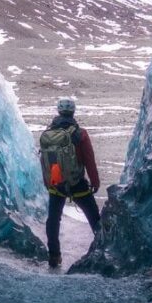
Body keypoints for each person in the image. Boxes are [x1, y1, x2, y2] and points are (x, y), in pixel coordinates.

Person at [38, 97, 101, 268]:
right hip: (77, 183)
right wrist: (95, 182)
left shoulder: (48, 134)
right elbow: (89, 160)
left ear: (59, 112)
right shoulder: (80, 134)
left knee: (53, 220)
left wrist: (47, 182)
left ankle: (54, 256)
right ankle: (103, 248)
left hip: (56, 183)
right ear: (73, 112)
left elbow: (44, 160)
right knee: (94, 217)